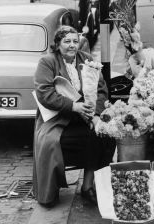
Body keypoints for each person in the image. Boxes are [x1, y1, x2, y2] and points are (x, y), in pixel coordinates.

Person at [33, 26, 115, 207]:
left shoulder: (87, 59)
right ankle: (50, 192)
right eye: (67, 41)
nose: (72, 45)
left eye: (75, 41)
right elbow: (44, 93)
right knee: (50, 144)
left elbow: (101, 90)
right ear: (57, 44)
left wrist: (95, 115)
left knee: (105, 135)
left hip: (86, 117)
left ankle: (87, 186)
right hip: (58, 120)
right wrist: (73, 106)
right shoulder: (47, 62)